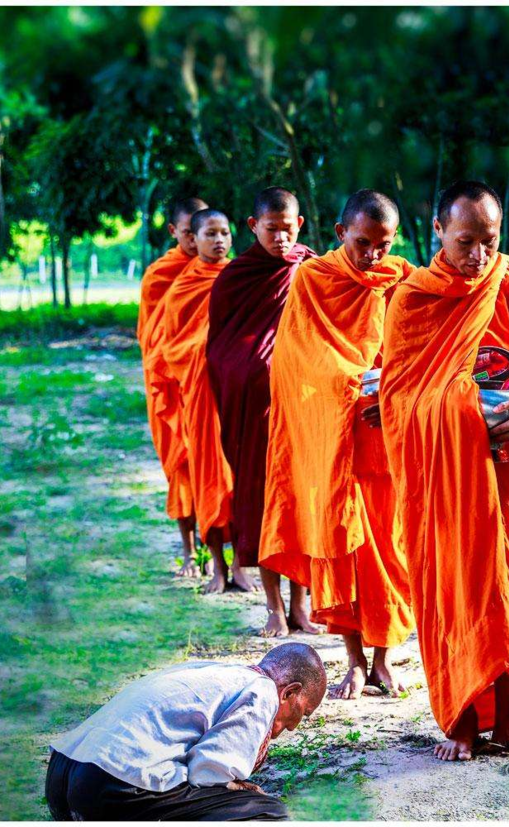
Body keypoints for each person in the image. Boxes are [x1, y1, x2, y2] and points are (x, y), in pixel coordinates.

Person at [379, 181, 509, 761]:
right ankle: (461, 719)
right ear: (438, 230)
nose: (479, 255)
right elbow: (400, 395)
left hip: (502, 472)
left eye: (490, 241)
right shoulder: (413, 298)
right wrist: (466, 409)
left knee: (508, 589)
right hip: (442, 479)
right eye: (466, 241)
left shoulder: (506, 282)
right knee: (454, 590)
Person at [260, 190, 415, 699]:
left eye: (383, 244)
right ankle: (352, 660)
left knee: (387, 550)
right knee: (342, 552)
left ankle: (383, 660)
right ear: (338, 233)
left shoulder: (402, 280)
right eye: (362, 242)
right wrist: (352, 384)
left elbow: (418, 350)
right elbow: (296, 360)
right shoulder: (313, 280)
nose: (373, 255)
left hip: (383, 433)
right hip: (331, 436)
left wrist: (388, 385)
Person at [206, 187, 321, 634]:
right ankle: (273, 606)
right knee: (262, 503)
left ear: (300, 225)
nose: (281, 237)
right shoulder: (236, 277)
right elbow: (219, 349)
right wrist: (253, 373)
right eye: (271, 229)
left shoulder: (312, 269)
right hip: (255, 413)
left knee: (302, 504)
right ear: (253, 227)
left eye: (288, 228)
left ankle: (301, 606)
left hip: (304, 407)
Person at [45, 642, 327, 821]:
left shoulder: (217, 672)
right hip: (111, 784)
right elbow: (207, 774)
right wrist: (234, 788)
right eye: (302, 713)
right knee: (268, 812)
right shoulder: (262, 690)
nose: (293, 726)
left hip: (63, 774)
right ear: (289, 692)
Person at [162, 209, 236, 594]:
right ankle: (217, 567)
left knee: (240, 478)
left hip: (236, 392)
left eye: (225, 232)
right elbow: (170, 346)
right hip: (201, 394)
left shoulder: (241, 277)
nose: (219, 240)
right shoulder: (181, 287)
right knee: (209, 476)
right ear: (194, 236)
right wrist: (206, 351)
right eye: (210, 233)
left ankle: (240, 564)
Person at [139, 197, 206, 577]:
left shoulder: (219, 271)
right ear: (174, 232)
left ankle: (217, 552)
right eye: (188, 235)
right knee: (181, 466)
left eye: (204, 234)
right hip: (168, 384)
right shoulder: (160, 275)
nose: (198, 243)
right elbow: (151, 337)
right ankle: (188, 550)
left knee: (213, 464)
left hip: (205, 385)